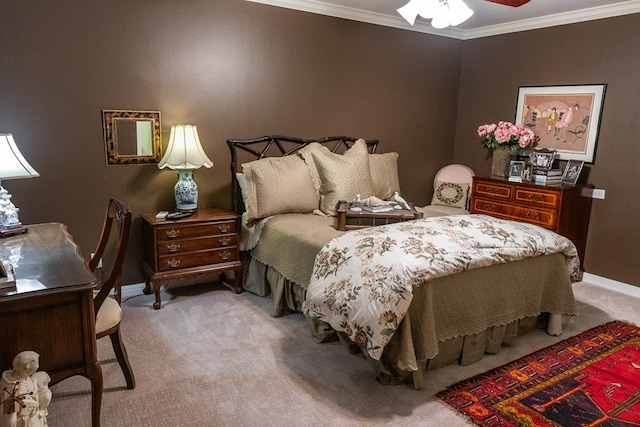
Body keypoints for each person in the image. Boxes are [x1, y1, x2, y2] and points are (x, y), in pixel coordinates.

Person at [0, 351, 49, 427]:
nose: (38, 366)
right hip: (20, 421)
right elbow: (9, 418)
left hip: (33, 417)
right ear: (27, 367)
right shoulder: (11, 386)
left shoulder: (32, 379)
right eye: (36, 363)